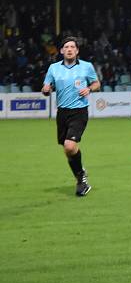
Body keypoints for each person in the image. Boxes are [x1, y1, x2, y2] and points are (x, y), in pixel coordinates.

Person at [42, 37, 101, 196]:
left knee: (69, 145)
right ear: (61, 51)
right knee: (68, 150)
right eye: (66, 47)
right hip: (62, 113)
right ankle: (80, 173)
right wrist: (46, 89)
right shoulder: (53, 68)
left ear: (77, 51)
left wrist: (89, 89)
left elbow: (97, 83)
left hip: (79, 111)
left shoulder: (86, 67)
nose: (69, 49)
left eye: (72, 47)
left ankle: (81, 179)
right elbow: (46, 88)